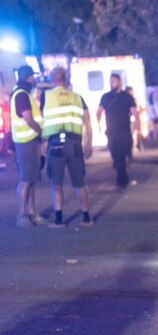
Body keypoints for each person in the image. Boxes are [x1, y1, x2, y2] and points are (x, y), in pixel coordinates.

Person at [41, 67, 94, 228]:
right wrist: (89, 143)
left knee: (56, 183)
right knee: (80, 182)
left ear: (52, 79)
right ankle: (86, 218)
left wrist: (44, 144)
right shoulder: (78, 98)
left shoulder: (46, 96)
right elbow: (88, 122)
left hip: (55, 144)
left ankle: (58, 219)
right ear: (66, 79)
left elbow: (44, 120)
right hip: (75, 144)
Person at [11, 65, 47, 227]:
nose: (34, 79)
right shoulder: (22, 95)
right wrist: (41, 132)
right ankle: (22, 215)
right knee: (26, 178)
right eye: (32, 76)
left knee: (31, 177)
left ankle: (32, 213)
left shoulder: (23, 94)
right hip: (26, 142)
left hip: (30, 142)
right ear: (28, 77)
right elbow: (29, 119)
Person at [96, 74, 139, 188]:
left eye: (114, 81)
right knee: (115, 154)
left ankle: (120, 180)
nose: (111, 84)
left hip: (124, 131)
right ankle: (123, 178)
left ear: (119, 82)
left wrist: (137, 126)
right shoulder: (106, 97)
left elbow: (134, 112)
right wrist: (99, 124)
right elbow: (99, 111)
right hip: (111, 131)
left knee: (121, 154)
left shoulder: (127, 97)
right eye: (110, 82)